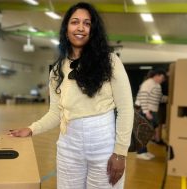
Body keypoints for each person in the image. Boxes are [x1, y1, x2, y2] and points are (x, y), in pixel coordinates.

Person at [9, 2, 134, 188]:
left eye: (87, 23)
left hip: (103, 145)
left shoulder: (111, 62)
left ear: (93, 30)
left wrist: (120, 152)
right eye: (75, 22)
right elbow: (56, 113)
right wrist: (32, 129)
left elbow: (126, 109)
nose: (81, 28)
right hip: (69, 145)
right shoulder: (57, 70)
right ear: (66, 28)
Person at [134, 69, 167, 160]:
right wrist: (146, 112)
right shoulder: (148, 83)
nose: (162, 80)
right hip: (144, 110)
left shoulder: (156, 85)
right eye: (162, 77)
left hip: (151, 111)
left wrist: (169, 98)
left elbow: (159, 98)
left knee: (148, 133)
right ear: (157, 75)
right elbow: (143, 97)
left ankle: (144, 151)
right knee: (143, 132)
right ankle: (140, 153)